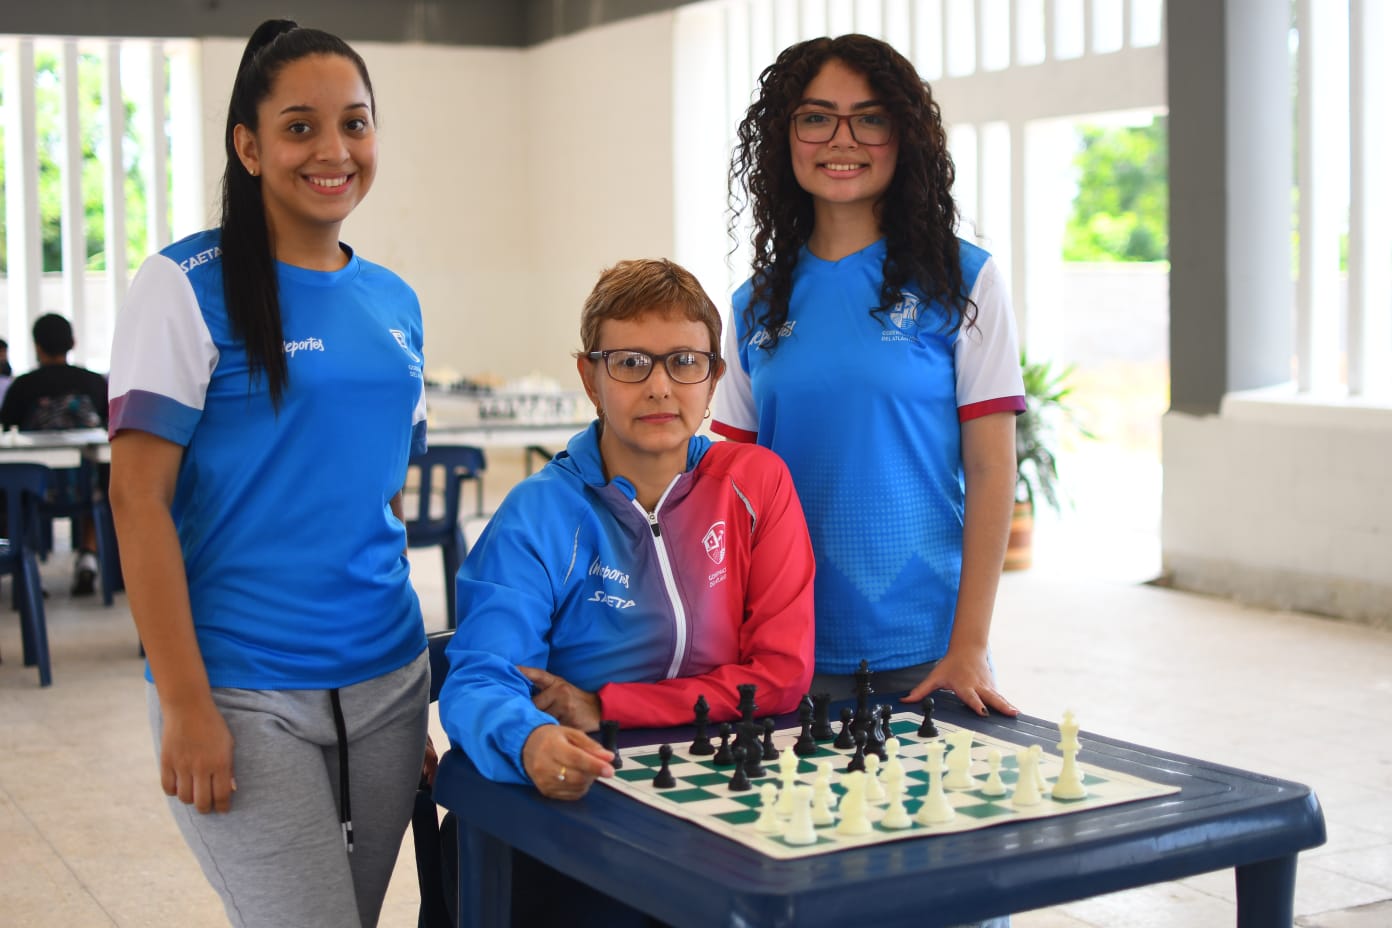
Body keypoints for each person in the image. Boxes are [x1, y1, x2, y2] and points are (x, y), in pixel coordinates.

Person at [106, 20, 430, 928]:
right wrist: (184, 704)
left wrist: (422, 696)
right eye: (299, 127)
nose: (334, 151)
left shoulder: (394, 299)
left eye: (356, 124)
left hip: (387, 683)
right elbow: (137, 501)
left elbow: (384, 493)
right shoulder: (183, 285)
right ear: (248, 145)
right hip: (243, 691)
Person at [438, 258, 816, 925]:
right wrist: (530, 741)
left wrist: (606, 704)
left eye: (684, 362)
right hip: (578, 795)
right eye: (631, 362)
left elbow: (780, 677)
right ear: (589, 377)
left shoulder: (757, 484)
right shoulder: (538, 513)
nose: (661, 387)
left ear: (715, 379)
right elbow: (479, 679)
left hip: (708, 784)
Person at [714, 34, 1026, 719]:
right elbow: (730, 487)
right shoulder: (753, 305)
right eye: (816, 116)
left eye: (871, 117)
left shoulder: (963, 280)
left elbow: (993, 466)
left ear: (904, 135)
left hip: (925, 649)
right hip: (779, 645)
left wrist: (969, 643)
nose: (842, 139)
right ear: (785, 137)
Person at [0, 313, 110, 593]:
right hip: (86, 489)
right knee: (106, 476)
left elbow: (5, 429)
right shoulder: (94, 383)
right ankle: (88, 555)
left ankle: (27, 563)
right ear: (72, 342)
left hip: (34, 489)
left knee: (9, 486)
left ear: (37, 346)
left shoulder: (23, 386)